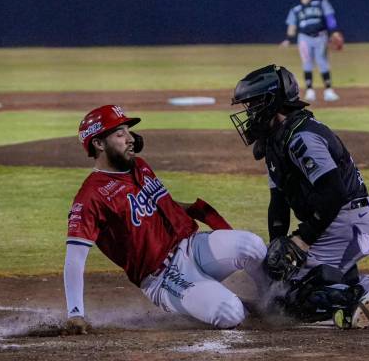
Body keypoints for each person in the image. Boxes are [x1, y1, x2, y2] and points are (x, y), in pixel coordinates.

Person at [230, 65, 369, 329]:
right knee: (273, 282)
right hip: (332, 224)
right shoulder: (275, 141)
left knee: (291, 301)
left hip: (349, 222)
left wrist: (302, 240)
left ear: (273, 101)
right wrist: (278, 243)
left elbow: (334, 193)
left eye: (253, 105)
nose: (249, 113)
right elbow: (278, 201)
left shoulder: (302, 137)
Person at [62, 104, 267, 333]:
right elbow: (75, 258)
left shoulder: (138, 166)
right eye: (120, 134)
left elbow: (155, 206)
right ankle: (210, 300)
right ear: (99, 144)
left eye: (129, 131)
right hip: (163, 276)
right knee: (230, 312)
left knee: (253, 246)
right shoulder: (91, 197)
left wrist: (193, 209)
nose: (131, 139)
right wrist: (75, 313)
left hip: (192, 246)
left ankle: (272, 300)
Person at [281, 0, 343, 102]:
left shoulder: (321, 2)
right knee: (307, 63)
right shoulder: (296, 7)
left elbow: (329, 17)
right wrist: (288, 38)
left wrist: (334, 31)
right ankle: (310, 91)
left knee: (322, 63)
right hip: (304, 38)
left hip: (321, 36)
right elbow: (292, 25)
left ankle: (328, 91)